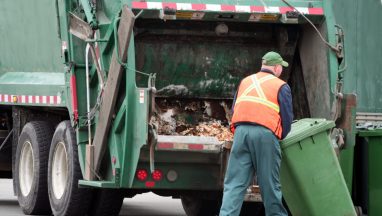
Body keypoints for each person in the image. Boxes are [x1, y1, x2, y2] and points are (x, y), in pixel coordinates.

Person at [219, 51, 293, 216]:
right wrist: (280, 136)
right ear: (276, 67)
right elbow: (287, 119)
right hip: (265, 135)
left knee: (235, 184)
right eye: (281, 67)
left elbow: (234, 109)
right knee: (269, 185)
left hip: (241, 133)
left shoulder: (245, 81)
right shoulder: (281, 86)